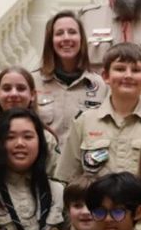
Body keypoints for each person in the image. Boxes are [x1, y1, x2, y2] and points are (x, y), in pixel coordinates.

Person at [55, 43, 141, 181]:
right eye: (120, 69)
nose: (128, 75)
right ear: (105, 76)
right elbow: (67, 177)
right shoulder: (85, 122)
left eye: (135, 70)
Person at [34, 10, 108, 145]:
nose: (66, 38)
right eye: (59, 33)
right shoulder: (33, 83)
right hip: (45, 164)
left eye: (72, 32)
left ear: (81, 39)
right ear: (50, 40)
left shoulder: (100, 86)